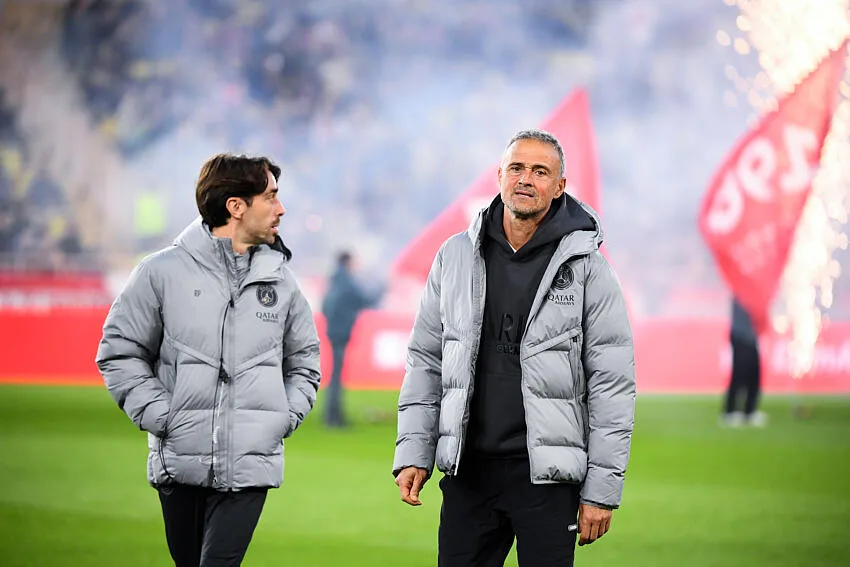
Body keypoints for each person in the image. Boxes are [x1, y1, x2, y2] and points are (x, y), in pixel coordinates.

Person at [393, 129, 636, 566]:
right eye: (517, 168)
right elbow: (426, 360)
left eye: (540, 171)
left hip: (547, 482)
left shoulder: (588, 268)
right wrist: (414, 451)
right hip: (469, 473)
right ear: (499, 176)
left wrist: (601, 491)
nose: (526, 179)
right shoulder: (454, 256)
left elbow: (612, 385)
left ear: (560, 186)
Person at [96, 154, 321, 567]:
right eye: (270, 197)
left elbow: (305, 361)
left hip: (250, 466)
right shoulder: (160, 272)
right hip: (179, 462)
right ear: (236, 206)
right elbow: (120, 352)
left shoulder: (281, 280)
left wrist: (280, 419)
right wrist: (167, 418)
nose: (281, 208)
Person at [320, 251, 378, 427]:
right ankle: (334, 417)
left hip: (334, 330)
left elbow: (325, 306)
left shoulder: (334, 280)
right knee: (337, 376)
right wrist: (382, 287)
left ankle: (332, 414)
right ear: (348, 262)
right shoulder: (346, 281)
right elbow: (365, 299)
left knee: (335, 375)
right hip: (341, 331)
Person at [721, 298, 766, 427]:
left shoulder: (754, 294)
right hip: (741, 337)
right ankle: (730, 411)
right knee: (739, 374)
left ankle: (749, 411)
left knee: (754, 374)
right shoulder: (742, 294)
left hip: (751, 338)